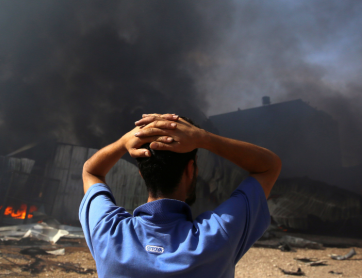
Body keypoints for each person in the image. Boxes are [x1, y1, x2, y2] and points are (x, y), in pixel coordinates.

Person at [80, 113, 282, 277]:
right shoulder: (219, 235)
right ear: (191, 169)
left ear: (141, 173)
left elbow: (91, 171)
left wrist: (124, 142)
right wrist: (204, 138)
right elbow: (268, 167)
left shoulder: (108, 231)